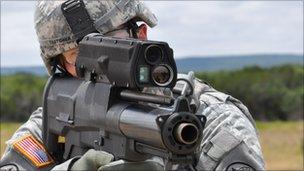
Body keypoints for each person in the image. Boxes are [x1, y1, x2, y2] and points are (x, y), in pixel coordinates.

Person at [0, 1, 265, 171]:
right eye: (77, 57)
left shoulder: (212, 119)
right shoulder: (56, 112)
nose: (97, 66)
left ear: (141, 36)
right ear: (58, 65)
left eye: (111, 47)